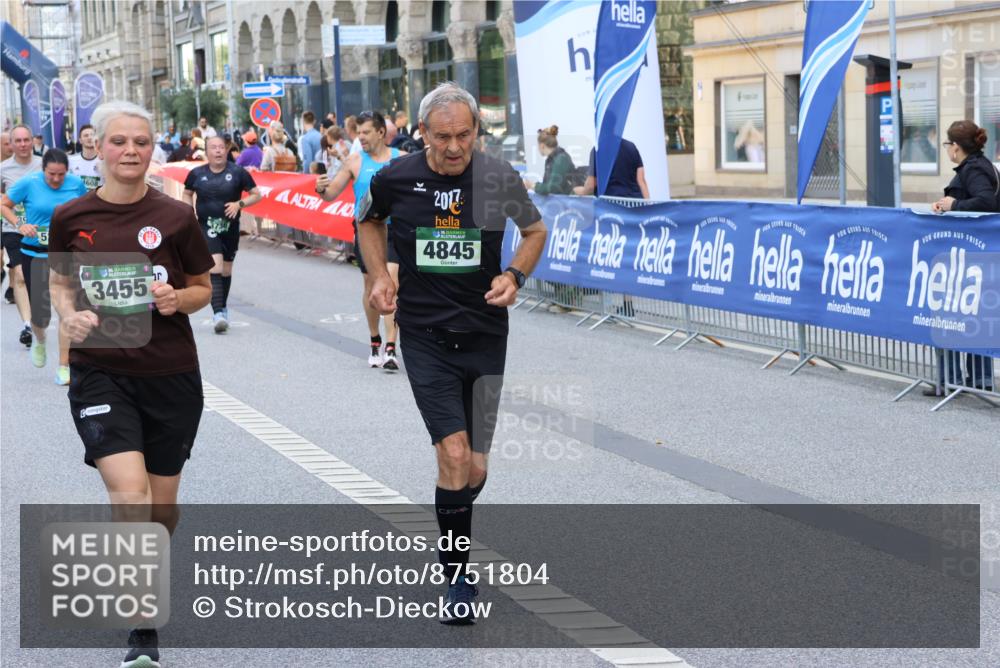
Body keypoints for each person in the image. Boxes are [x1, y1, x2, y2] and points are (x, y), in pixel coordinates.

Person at [358, 83, 547, 624]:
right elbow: (367, 221)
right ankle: (457, 574)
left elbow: (535, 231)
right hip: (424, 336)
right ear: (423, 134)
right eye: (443, 136)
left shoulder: (495, 177)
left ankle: (453, 513)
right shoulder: (395, 177)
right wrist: (377, 276)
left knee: (476, 466)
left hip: (487, 334)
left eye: (465, 134)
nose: (455, 146)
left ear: (476, 133)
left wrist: (515, 275)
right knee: (456, 455)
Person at [48, 100, 213, 668]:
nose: (130, 152)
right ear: (97, 147)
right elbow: (62, 285)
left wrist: (177, 298)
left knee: (161, 510)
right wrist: (68, 318)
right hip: (100, 373)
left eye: (141, 142)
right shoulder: (71, 217)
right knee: (130, 495)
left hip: (170, 375)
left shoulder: (176, 216)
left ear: (152, 150)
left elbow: (202, 289)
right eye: (119, 142)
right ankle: (143, 626)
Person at [316, 110, 404, 369]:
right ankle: (375, 339)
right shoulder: (355, 162)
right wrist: (321, 188)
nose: (361, 137)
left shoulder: (402, 160)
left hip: (395, 231)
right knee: (371, 287)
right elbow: (330, 194)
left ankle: (391, 347)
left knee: (392, 282)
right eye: (359, 132)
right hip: (366, 233)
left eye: (366, 132)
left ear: (380, 132)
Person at [1, 148, 87, 384]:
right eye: (51, 175)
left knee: (66, 309)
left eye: (61, 174)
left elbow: (86, 211)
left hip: (65, 254)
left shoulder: (76, 184)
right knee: (41, 317)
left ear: (67, 171)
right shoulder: (29, 183)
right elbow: (4, 204)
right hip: (34, 253)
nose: (57, 179)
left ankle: (63, 366)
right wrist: (20, 224)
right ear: (43, 170)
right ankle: (39, 340)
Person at [927, 119, 999, 395]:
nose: (946, 149)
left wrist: (954, 204)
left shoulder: (975, 168)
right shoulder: (979, 166)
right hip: (973, 254)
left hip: (969, 258)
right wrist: (947, 206)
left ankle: (955, 382)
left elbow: (986, 202)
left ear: (955, 147)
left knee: (955, 315)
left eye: (947, 144)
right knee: (970, 316)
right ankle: (969, 381)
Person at [183, 135, 262, 333]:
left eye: (221, 147)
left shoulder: (238, 173)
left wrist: (239, 204)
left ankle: (223, 307)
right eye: (213, 148)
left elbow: (256, 194)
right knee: (215, 268)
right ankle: (218, 313)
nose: (218, 151)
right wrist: (188, 214)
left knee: (226, 270)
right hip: (206, 226)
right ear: (207, 152)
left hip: (230, 228)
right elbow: (187, 193)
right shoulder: (196, 174)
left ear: (226, 151)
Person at [0, 124, 42, 344]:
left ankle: (35, 315)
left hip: (43, 231)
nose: (23, 145)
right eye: (18, 141)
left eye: (27, 140)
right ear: (12, 145)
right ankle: (27, 325)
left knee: (38, 280)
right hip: (14, 229)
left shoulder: (44, 165)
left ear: (32, 141)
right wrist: (16, 220)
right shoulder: (3, 169)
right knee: (20, 275)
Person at [523, 125, 576, 195]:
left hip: (566, 204)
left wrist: (532, 186)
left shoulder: (561, 159)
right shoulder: (550, 160)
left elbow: (553, 188)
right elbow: (548, 186)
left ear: (542, 146)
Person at [67, 124, 103, 191]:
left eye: (92, 135)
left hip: (97, 200)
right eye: (86, 135)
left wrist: (104, 172)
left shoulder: (104, 161)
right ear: (80, 140)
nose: (89, 137)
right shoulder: (71, 161)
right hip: (78, 200)